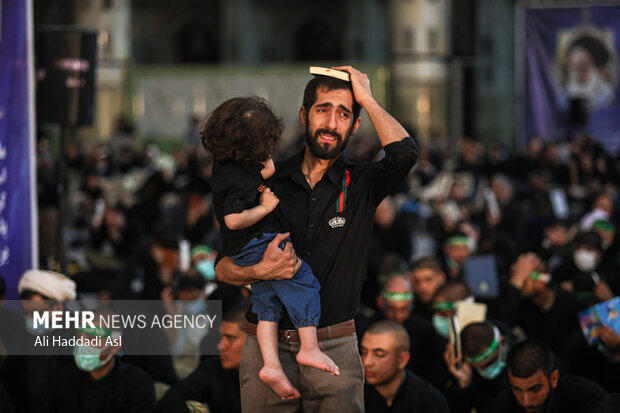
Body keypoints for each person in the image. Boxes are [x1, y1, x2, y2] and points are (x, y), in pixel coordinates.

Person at [215, 65, 418, 412]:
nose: (331, 122)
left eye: (344, 114)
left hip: (334, 345)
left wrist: (366, 98)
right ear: (304, 114)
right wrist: (260, 271)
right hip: (267, 350)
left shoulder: (363, 183)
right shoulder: (266, 180)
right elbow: (223, 268)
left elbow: (405, 154)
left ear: (355, 124)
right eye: (323, 109)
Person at [202, 96, 337, 400]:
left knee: (266, 309)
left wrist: (265, 165)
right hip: (258, 242)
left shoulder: (230, 166)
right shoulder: (234, 177)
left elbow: (262, 174)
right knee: (303, 281)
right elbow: (233, 219)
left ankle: (271, 365)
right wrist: (265, 208)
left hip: (248, 247)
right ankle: (310, 347)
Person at [35, 308, 155, 412]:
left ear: (115, 345)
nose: (83, 344)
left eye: (92, 339)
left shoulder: (137, 385)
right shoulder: (59, 381)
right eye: (79, 337)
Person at [1, 269, 77, 412]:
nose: (31, 319)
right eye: (27, 313)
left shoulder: (77, 336)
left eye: (38, 313)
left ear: (58, 308)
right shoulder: (21, 333)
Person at [154, 305, 249, 413]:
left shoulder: (268, 380)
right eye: (221, 337)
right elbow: (171, 400)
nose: (220, 346)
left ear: (254, 341)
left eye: (230, 338)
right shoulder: (213, 368)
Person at [356, 274, 435, 379]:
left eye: (404, 309)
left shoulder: (424, 331)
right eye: (391, 309)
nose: (398, 316)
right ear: (380, 302)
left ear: (412, 303)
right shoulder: (362, 328)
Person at [492, 340, 606, 412]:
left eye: (535, 389)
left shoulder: (588, 398)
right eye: (517, 389)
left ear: (554, 378)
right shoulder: (503, 406)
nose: (526, 401)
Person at [361, 320, 449, 413]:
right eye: (364, 352)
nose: (367, 362)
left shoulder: (429, 402)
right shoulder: (356, 394)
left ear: (402, 360)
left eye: (379, 354)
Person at [443, 321, 511, 413]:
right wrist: (464, 386)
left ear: (502, 342)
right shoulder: (467, 370)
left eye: (489, 363)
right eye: (479, 367)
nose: (485, 370)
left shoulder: (521, 357)